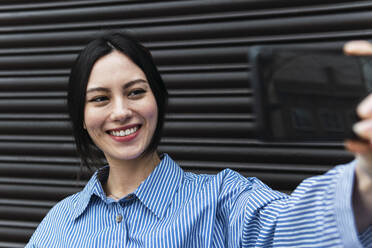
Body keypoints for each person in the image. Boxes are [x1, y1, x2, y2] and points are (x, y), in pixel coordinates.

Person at [26, 32, 372, 247]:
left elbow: (293, 228)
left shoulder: (224, 200)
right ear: (82, 119)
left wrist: (367, 178)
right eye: (100, 98)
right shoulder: (59, 224)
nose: (120, 111)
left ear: (157, 101)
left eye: (135, 92)